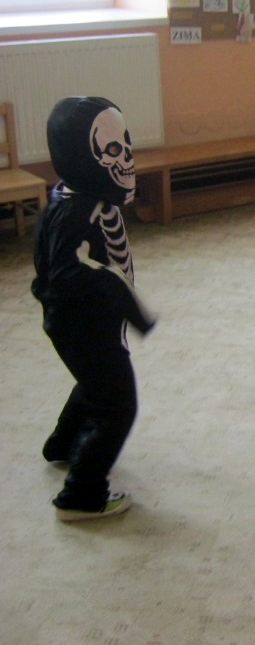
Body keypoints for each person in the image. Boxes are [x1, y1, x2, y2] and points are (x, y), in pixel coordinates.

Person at [33, 96, 156, 521]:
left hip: (76, 325)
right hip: (87, 326)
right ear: (81, 156)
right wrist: (122, 299)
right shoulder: (78, 213)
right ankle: (81, 496)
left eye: (127, 144)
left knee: (94, 385)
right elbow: (66, 274)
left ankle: (64, 445)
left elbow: (45, 263)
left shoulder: (66, 197)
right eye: (113, 150)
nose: (126, 160)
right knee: (117, 407)